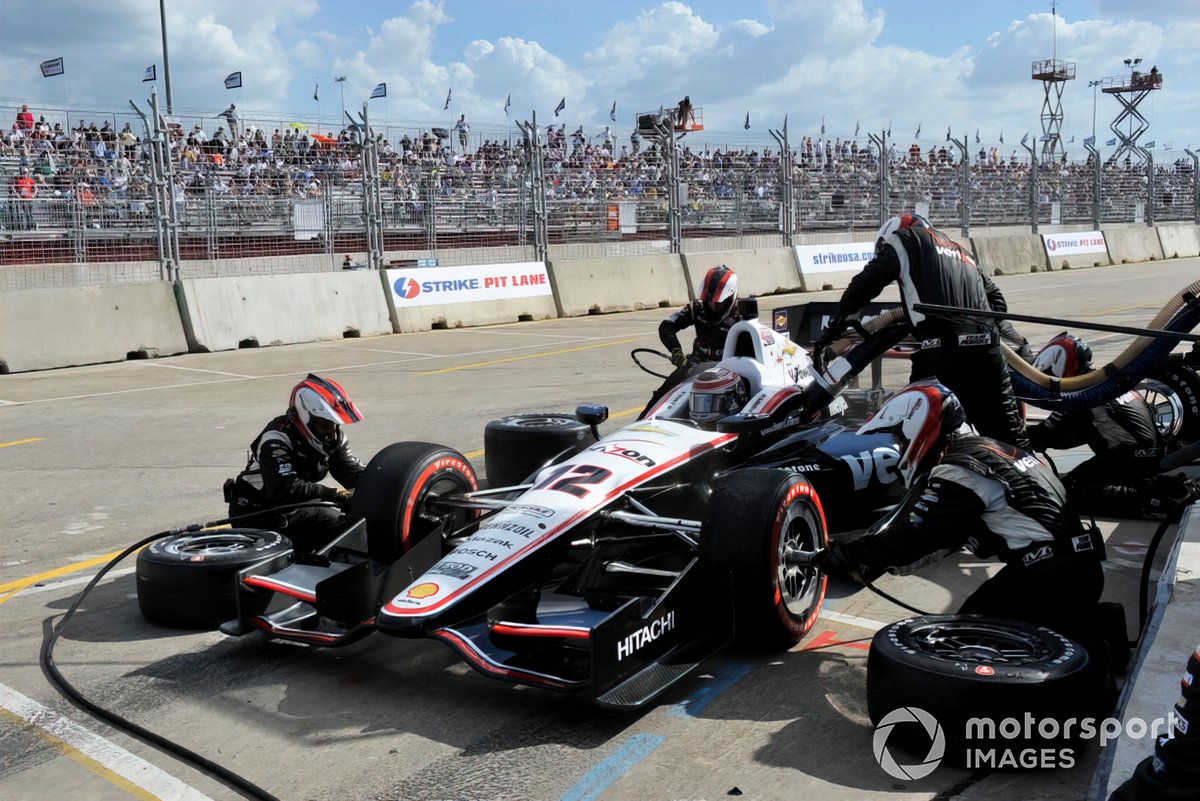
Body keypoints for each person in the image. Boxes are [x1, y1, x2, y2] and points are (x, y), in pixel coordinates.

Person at [811, 380, 1105, 646]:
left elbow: (917, 536)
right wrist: (871, 561)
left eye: (899, 440)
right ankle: (1093, 637)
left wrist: (850, 554)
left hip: (1050, 579)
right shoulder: (989, 450)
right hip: (1073, 571)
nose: (899, 448)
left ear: (917, 428)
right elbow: (945, 539)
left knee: (957, 648)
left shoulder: (958, 468)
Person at [815, 213, 1030, 449]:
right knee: (1010, 441)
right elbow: (997, 301)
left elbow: (868, 280)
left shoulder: (904, 239)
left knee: (917, 437)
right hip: (988, 353)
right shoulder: (962, 251)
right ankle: (1029, 483)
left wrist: (837, 321)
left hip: (940, 354)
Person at [1026, 334, 1167, 517]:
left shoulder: (1084, 394)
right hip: (1145, 454)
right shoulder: (1103, 381)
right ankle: (1148, 490)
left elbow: (1054, 434)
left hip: (1130, 457)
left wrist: (1017, 436)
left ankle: (1148, 500)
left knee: (1068, 493)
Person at [226, 374, 366, 553]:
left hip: (294, 509)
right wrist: (333, 494)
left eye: (334, 424)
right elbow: (285, 489)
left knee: (352, 529)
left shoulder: (331, 440)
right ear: (304, 416)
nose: (331, 432)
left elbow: (353, 473)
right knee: (280, 559)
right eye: (324, 424)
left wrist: (381, 485)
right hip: (255, 512)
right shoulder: (276, 440)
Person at [639, 265, 739, 418]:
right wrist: (676, 351)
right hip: (694, 368)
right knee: (658, 401)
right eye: (709, 301)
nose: (712, 306)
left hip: (728, 372)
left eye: (717, 303)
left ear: (730, 298)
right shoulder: (697, 309)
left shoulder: (743, 315)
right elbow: (667, 326)